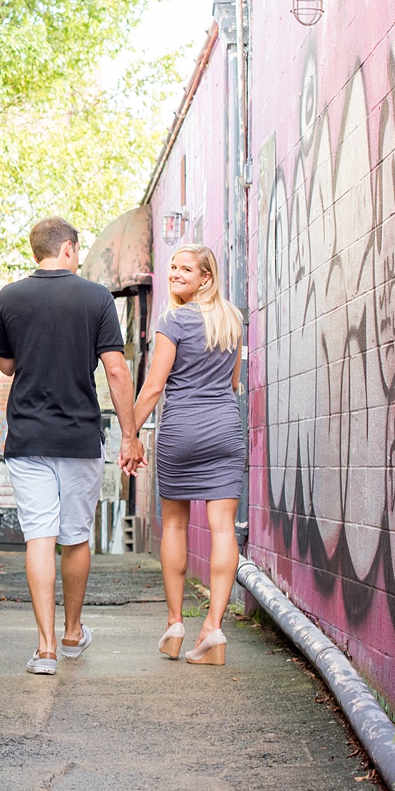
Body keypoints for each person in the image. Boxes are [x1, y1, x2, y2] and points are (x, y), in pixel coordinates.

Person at [0, 216, 143, 675]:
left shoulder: (9, 297)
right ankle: (73, 633)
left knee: (40, 534)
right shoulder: (96, 298)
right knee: (75, 536)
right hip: (79, 437)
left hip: (28, 436)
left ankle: (44, 649)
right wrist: (131, 436)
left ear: (36, 250)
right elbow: (116, 371)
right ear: (70, 249)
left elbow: (6, 365)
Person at [131, 244, 245, 666]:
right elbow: (231, 384)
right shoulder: (232, 321)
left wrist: (131, 432)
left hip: (181, 431)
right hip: (223, 430)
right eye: (173, 268)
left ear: (205, 278)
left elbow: (155, 386)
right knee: (223, 529)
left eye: (185, 269)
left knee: (175, 527)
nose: (176, 274)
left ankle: (175, 623)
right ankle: (213, 628)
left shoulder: (173, 320)